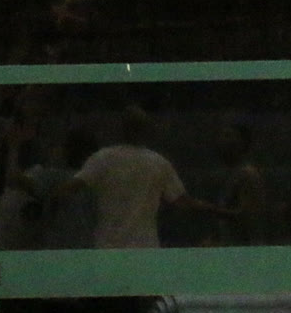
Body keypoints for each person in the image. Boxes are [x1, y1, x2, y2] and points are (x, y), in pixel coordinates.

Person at [63, 107, 203, 249]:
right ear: (145, 131)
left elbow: (70, 188)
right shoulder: (158, 163)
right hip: (144, 248)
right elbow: (182, 201)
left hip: (109, 248)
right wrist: (213, 210)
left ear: (121, 129)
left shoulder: (103, 158)